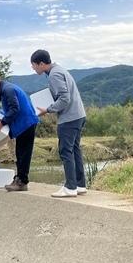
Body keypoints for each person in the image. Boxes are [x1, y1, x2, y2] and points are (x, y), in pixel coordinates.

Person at [30, 49, 87, 198]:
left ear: (41, 64)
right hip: (79, 115)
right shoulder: (60, 70)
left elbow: (64, 98)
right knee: (75, 150)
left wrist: (47, 109)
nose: (33, 68)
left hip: (69, 118)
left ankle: (70, 187)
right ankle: (80, 185)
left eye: (34, 65)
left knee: (65, 151)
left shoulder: (54, 75)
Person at [0, 71, 39, 191]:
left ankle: (22, 182)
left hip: (26, 124)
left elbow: (15, 108)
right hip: (23, 125)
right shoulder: (7, 89)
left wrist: (2, 122)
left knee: (24, 154)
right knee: (20, 153)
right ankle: (19, 179)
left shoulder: (7, 90)